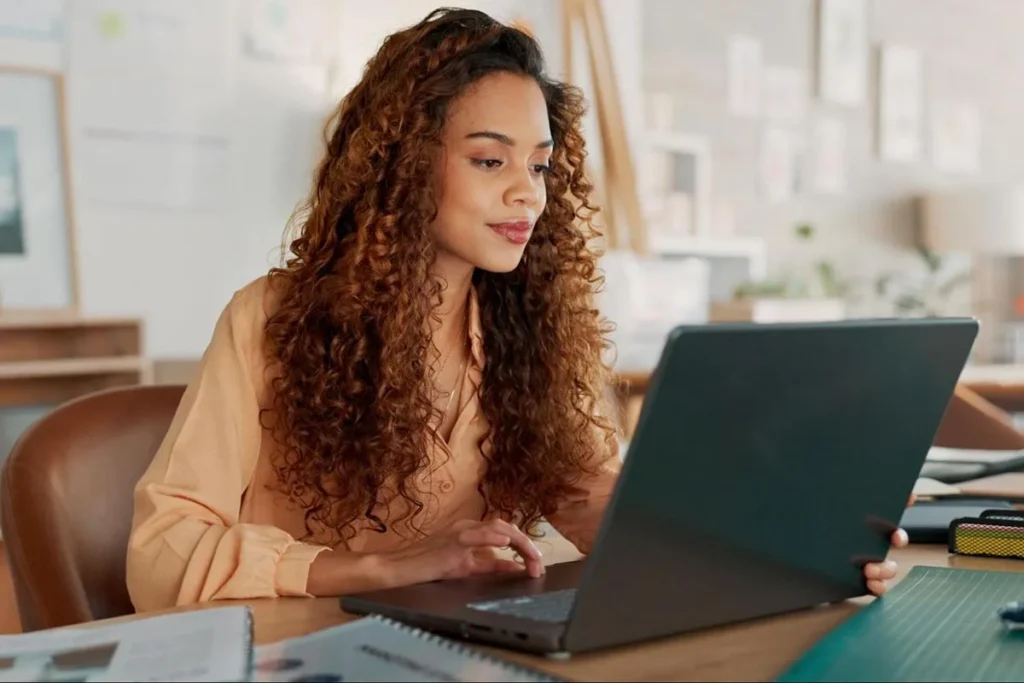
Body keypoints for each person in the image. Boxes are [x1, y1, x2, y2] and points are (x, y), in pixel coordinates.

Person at [126, 7, 907, 612]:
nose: (527, 192)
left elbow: (594, 498)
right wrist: (376, 566)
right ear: (403, 167)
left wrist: (776, 544)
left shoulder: (528, 327)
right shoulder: (271, 317)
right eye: (490, 159)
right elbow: (161, 552)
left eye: (538, 165)